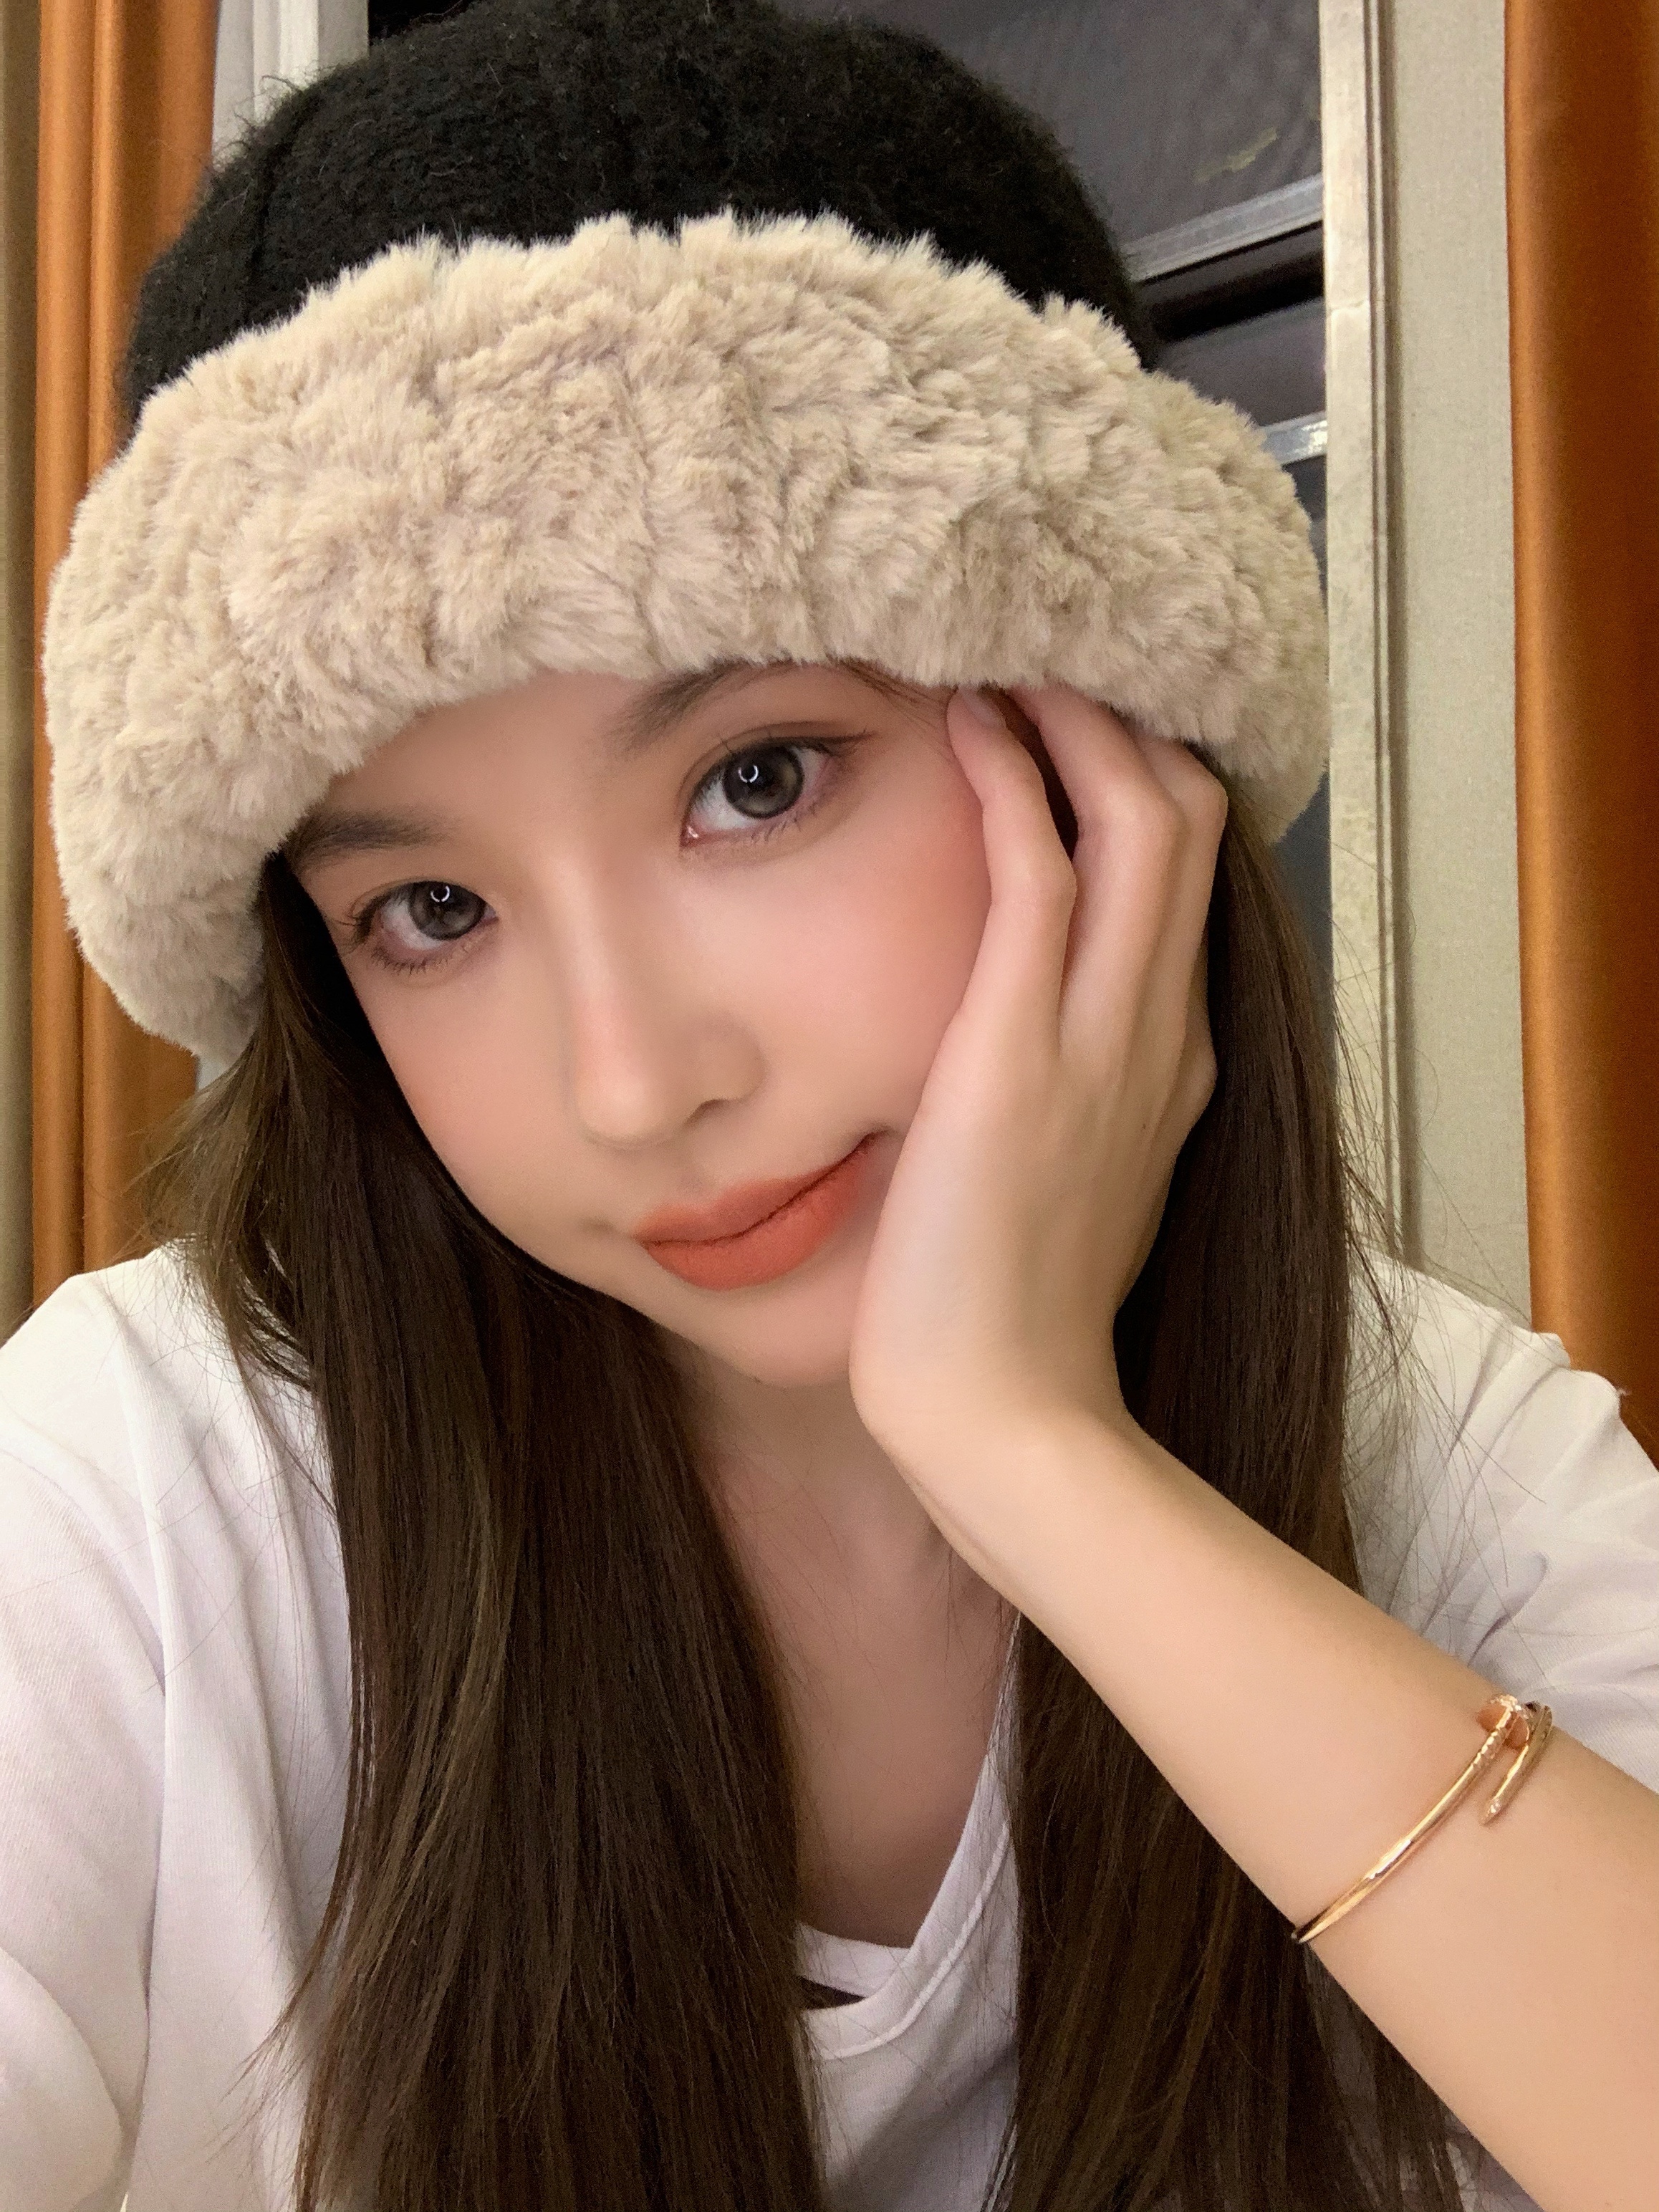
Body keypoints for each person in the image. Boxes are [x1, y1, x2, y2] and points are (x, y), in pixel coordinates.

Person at [9, 2, 1658, 2208]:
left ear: (1114, 755)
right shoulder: (141, 1499)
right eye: (430, 910)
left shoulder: (1448, 1469)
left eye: (757, 779)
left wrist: (1035, 1454)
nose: (631, 1083)